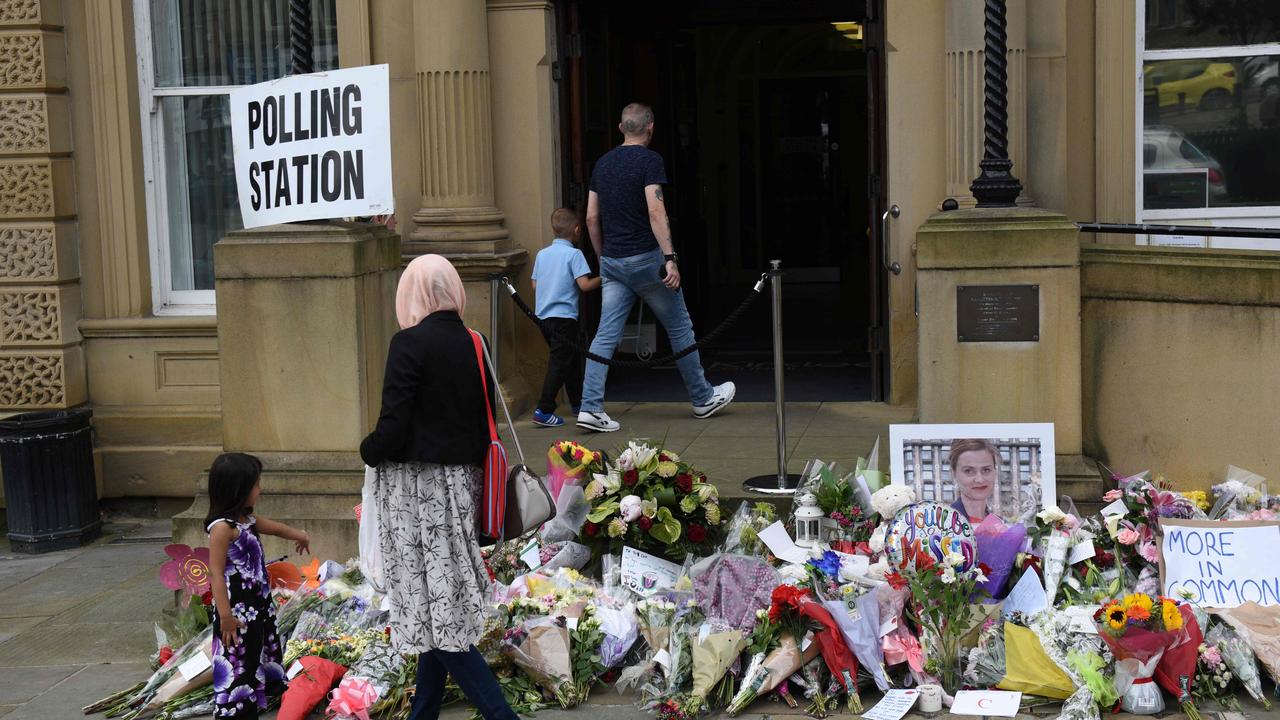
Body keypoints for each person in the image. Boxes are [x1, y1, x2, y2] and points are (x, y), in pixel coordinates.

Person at [359, 254, 519, 720]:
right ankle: (422, 712)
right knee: (437, 604)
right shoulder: (476, 341)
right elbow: (480, 414)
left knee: (440, 616)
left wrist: (367, 450)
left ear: (412, 294)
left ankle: (501, 716)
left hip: (416, 492)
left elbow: (393, 425)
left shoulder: (407, 343)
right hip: (462, 485)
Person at [577, 101, 735, 432]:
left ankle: (590, 406)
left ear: (621, 128)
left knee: (605, 334)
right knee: (679, 328)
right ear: (650, 128)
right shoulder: (650, 160)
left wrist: (603, 256)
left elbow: (592, 217)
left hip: (613, 262)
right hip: (647, 259)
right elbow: (656, 211)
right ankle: (703, 397)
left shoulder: (602, 164)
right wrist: (670, 258)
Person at [205, 452, 308, 719]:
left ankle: (255, 696)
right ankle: (236, 709)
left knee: (255, 654)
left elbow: (275, 528)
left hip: (257, 606)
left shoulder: (246, 521)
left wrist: (299, 535)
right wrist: (225, 616)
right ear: (238, 489)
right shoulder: (222, 528)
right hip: (235, 612)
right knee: (238, 660)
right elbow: (216, 574)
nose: (259, 490)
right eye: (256, 484)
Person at [530, 207, 600, 427]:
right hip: (565, 318)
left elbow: (534, 284)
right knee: (559, 363)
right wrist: (605, 278)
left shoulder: (542, 254)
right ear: (577, 229)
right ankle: (544, 409)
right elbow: (585, 285)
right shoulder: (574, 254)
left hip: (543, 317)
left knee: (568, 360)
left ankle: (578, 403)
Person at [948, 439, 1001, 522]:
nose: (979, 479)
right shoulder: (941, 525)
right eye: (968, 471)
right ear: (954, 474)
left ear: (995, 472)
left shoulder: (1002, 525)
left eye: (986, 470)